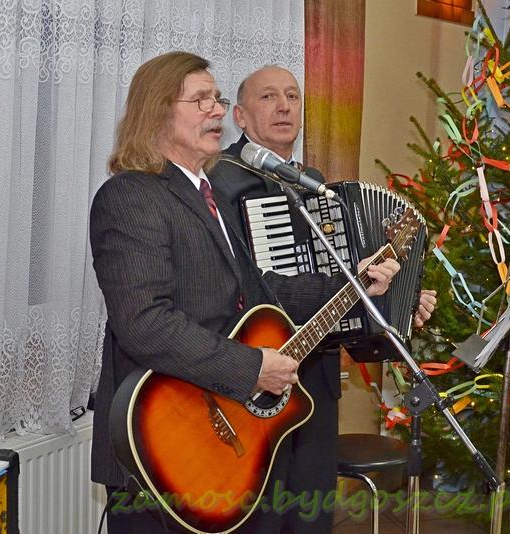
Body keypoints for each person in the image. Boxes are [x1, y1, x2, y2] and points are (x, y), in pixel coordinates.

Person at [88, 51, 400, 533]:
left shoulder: (211, 197)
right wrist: (252, 366)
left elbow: (264, 293)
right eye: (201, 100)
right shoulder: (131, 195)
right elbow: (145, 323)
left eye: (217, 99)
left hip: (226, 438)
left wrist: (352, 282)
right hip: (165, 445)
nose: (216, 110)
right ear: (157, 111)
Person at [208, 65, 437, 532]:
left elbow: (346, 278)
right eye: (269, 97)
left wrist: (399, 300)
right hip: (256, 376)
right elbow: (241, 286)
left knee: (310, 515)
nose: (285, 106)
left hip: (317, 373)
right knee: (261, 514)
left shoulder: (315, 183)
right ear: (240, 116)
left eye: (292, 96)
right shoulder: (222, 181)